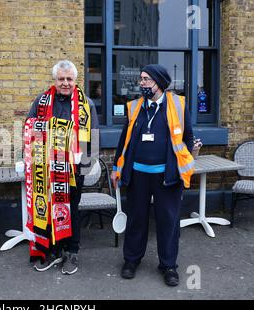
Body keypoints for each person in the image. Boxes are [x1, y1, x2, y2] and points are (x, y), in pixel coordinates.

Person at [111, 64, 195, 286]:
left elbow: (187, 138)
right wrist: (116, 169)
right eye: (141, 79)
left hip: (167, 176)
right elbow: (124, 142)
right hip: (138, 175)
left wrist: (187, 158)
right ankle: (131, 260)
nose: (142, 83)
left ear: (159, 82)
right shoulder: (135, 107)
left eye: (147, 79)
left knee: (168, 221)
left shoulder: (178, 105)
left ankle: (168, 265)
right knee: (136, 218)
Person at [26, 60, 99, 275]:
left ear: (75, 80)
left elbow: (93, 138)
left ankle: (72, 252)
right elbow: (29, 129)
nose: (65, 83)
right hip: (46, 169)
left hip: (74, 169)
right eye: (61, 79)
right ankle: (54, 251)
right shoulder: (41, 101)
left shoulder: (87, 104)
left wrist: (85, 168)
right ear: (55, 80)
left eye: (69, 79)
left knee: (71, 211)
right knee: (50, 210)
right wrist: (30, 161)